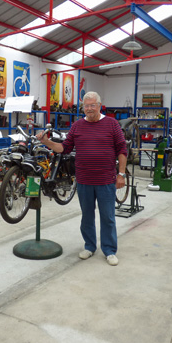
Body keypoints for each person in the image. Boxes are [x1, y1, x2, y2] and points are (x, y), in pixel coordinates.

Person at [36, 91, 127, 266]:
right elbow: (64, 148)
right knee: (87, 216)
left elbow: (122, 150)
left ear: (99, 106)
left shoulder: (112, 124)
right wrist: (46, 142)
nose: (90, 109)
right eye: (86, 106)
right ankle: (90, 246)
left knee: (107, 216)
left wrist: (121, 174)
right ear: (83, 108)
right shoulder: (77, 126)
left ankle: (109, 250)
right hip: (84, 180)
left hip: (106, 180)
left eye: (93, 105)